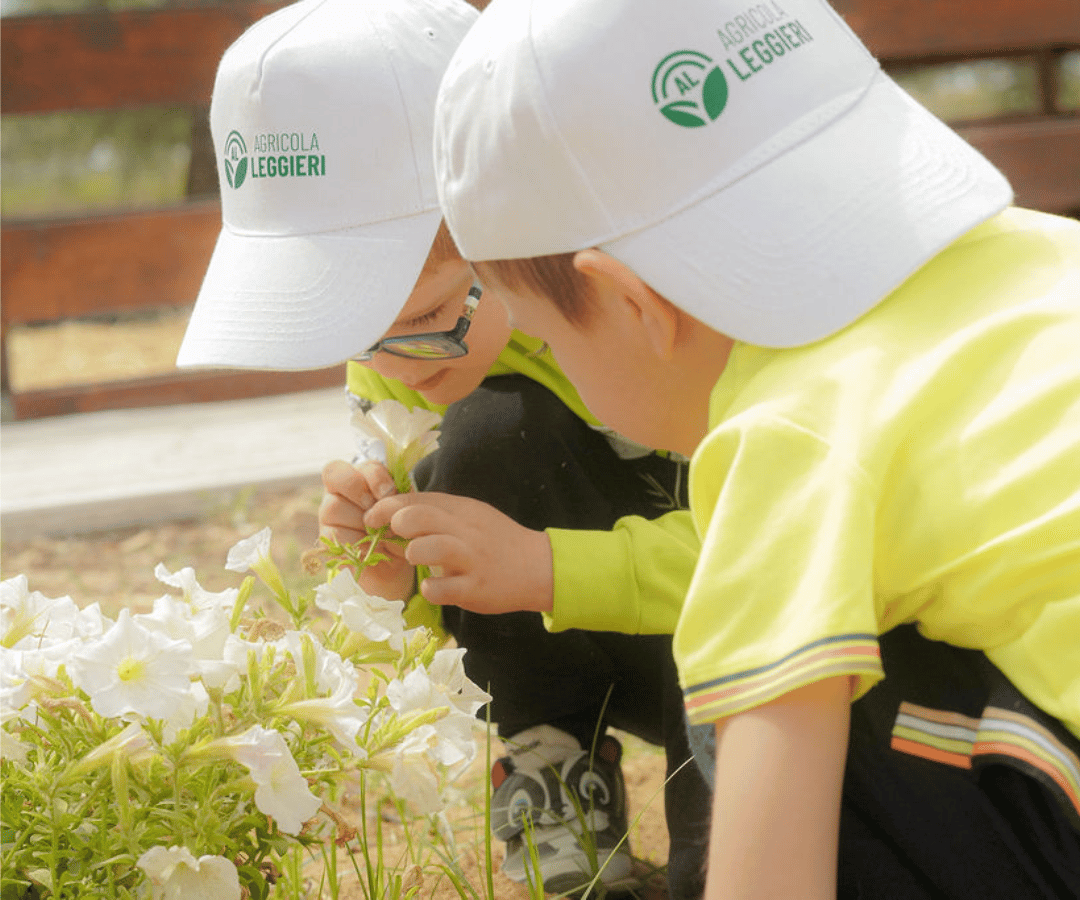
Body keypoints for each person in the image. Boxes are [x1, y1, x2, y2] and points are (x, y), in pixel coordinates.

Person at [364, 0, 1080, 897]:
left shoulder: (789, 431)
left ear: (630, 304)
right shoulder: (1047, 259)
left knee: (779, 700)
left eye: (550, 337)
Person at [174, 0, 711, 895]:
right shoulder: (407, 350)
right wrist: (407, 581)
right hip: (623, 626)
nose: (392, 367)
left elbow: (779, 554)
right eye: (354, 330)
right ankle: (553, 763)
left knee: (730, 870)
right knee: (488, 440)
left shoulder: (667, 300)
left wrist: (543, 565)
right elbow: (476, 601)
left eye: (426, 318)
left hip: (755, 637)